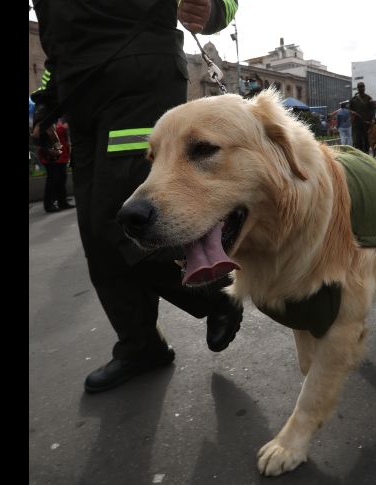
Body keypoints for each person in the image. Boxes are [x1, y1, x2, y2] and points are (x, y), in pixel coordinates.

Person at [32, 0, 244, 394]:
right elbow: (55, 37)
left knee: (120, 220)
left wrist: (215, 8)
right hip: (79, 102)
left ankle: (217, 295)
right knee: (97, 239)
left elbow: (226, 3)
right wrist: (45, 104)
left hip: (136, 80)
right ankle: (140, 346)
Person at [35, 117, 75, 213]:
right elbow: (42, 141)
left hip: (59, 155)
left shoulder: (55, 122)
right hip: (50, 156)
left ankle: (62, 201)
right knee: (53, 180)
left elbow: (57, 139)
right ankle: (49, 204)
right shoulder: (43, 122)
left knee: (61, 179)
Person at [349, 82, 375, 153]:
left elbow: (373, 109)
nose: (361, 88)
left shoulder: (369, 98)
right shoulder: (353, 99)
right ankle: (360, 153)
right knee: (358, 139)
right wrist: (352, 112)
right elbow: (349, 108)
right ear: (357, 88)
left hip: (366, 122)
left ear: (364, 88)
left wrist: (372, 119)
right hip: (357, 123)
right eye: (360, 87)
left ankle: (366, 152)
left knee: (366, 139)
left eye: (362, 87)